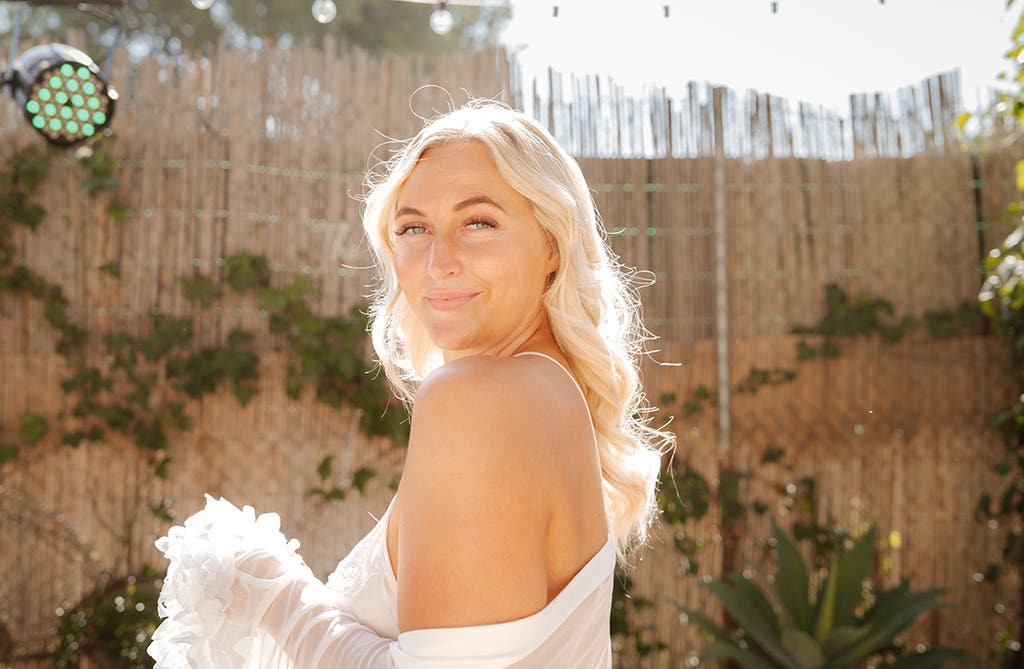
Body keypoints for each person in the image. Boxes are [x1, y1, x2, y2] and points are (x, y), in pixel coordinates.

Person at [147, 99, 673, 668]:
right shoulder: (544, 394)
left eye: (478, 222)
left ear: (551, 244)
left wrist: (276, 593)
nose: (437, 260)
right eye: (414, 227)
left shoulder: (483, 398)